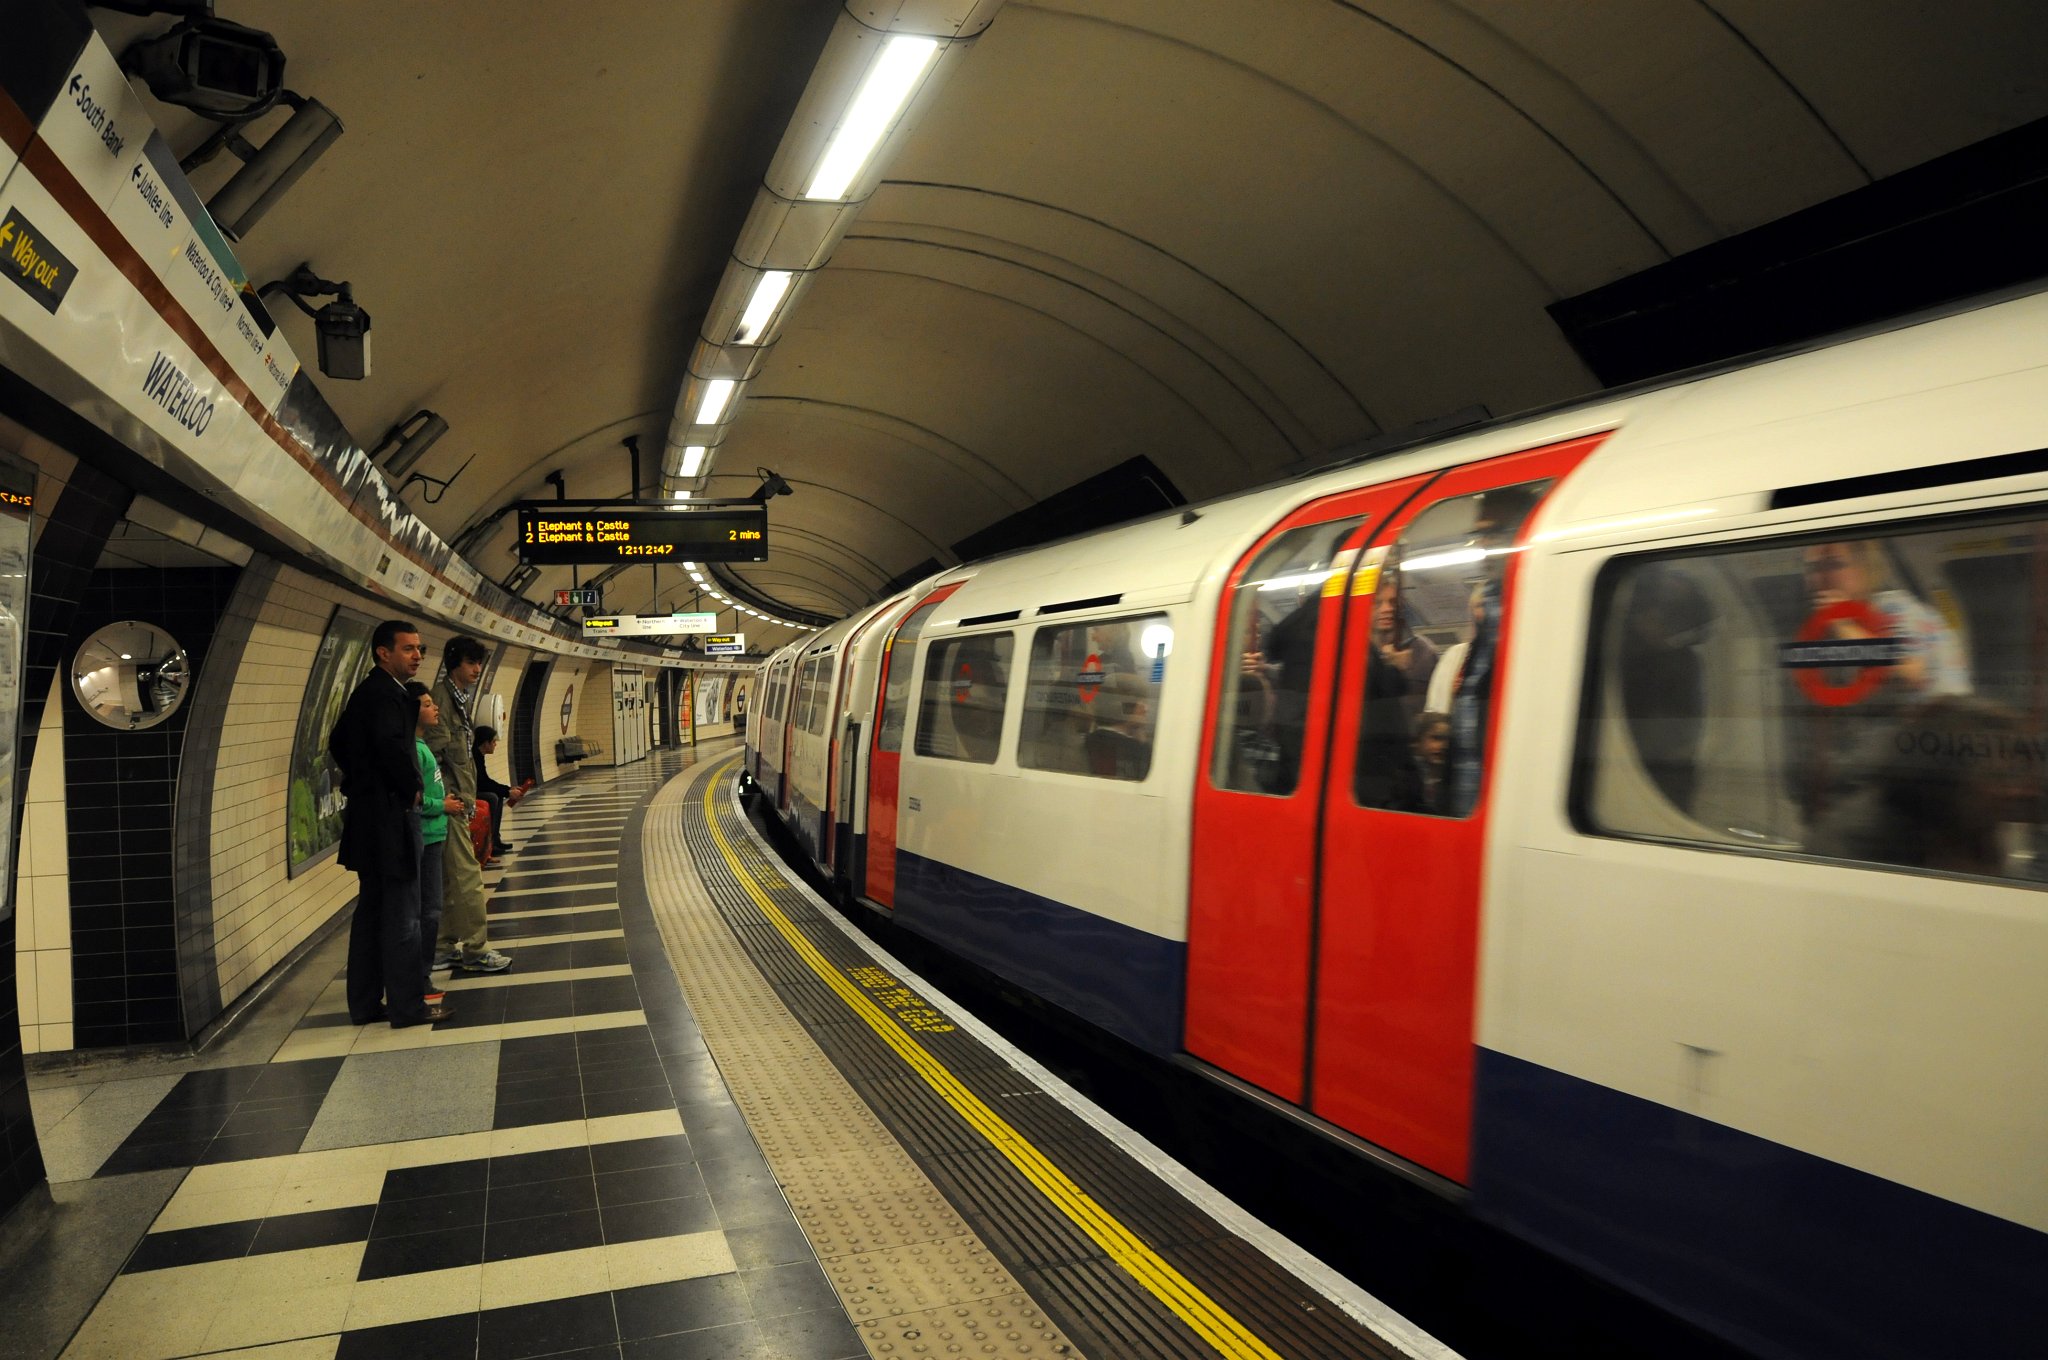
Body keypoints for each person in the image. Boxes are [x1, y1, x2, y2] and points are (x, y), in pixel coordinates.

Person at [1793, 539, 1971, 823]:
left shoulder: (1894, 609)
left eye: (1834, 565)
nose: (1820, 578)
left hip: (1930, 763)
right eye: (1812, 568)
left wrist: (1844, 626)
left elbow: (1911, 669)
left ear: (1866, 569)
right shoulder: (1866, 618)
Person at [327, 620, 450, 1027]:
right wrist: (409, 787)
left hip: (370, 820)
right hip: (390, 823)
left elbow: (339, 741)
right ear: (384, 652)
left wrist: (362, 783)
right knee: (404, 916)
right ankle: (407, 1005)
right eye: (408, 649)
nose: (417, 656)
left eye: (420, 649)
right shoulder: (387, 696)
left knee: (372, 914)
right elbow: (388, 746)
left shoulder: (369, 693)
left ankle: (364, 1004)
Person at [428, 636, 511, 975]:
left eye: (478, 662)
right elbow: (434, 756)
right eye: (470, 663)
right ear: (454, 664)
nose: (477, 669)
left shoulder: (457, 700)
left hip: (458, 805)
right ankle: (476, 948)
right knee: (468, 878)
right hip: (451, 807)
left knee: (451, 881)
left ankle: (442, 947)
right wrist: (449, 799)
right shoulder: (442, 701)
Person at [409, 681, 462, 1005]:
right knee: (428, 911)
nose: (436, 708)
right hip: (425, 837)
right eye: (428, 704)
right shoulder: (414, 750)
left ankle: (422, 973)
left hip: (434, 834)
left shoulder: (422, 745)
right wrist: (442, 806)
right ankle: (420, 976)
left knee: (431, 909)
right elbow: (413, 799)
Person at [472, 723, 517, 862]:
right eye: (493, 742)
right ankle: (490, 841)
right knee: (492, 797)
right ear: (485, 743)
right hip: (470, 791)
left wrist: (506, 790)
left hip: (475, 789)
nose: (495, 745)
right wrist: (507, 791)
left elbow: (484, 780)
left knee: (495, 796)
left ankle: (494, 839)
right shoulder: (474, 756)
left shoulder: (478, 755)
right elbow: (482, 783)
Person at [1413, 710, 1451, 812]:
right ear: (1418, 741)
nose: (1443, 746)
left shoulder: (1451, 781)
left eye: (1448, 740)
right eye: (1436, 738)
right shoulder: (1408, 778)